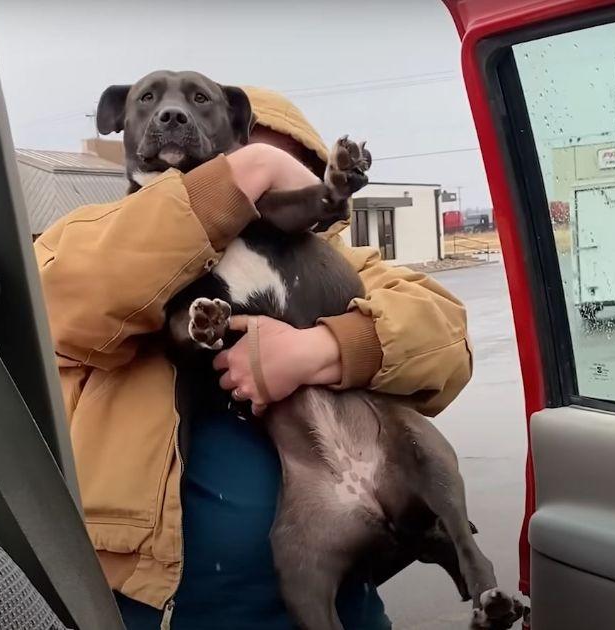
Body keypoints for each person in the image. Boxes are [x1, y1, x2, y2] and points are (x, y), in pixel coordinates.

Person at [35, 87, 473, 629]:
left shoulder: (333, 263)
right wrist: (245, 174)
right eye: (236, 165)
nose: (257, 184)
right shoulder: (98, 240)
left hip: (337, 602)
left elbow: (446, 333)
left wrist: (321, 349)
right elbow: (64, 301)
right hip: (160, 612)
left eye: (281, 169)